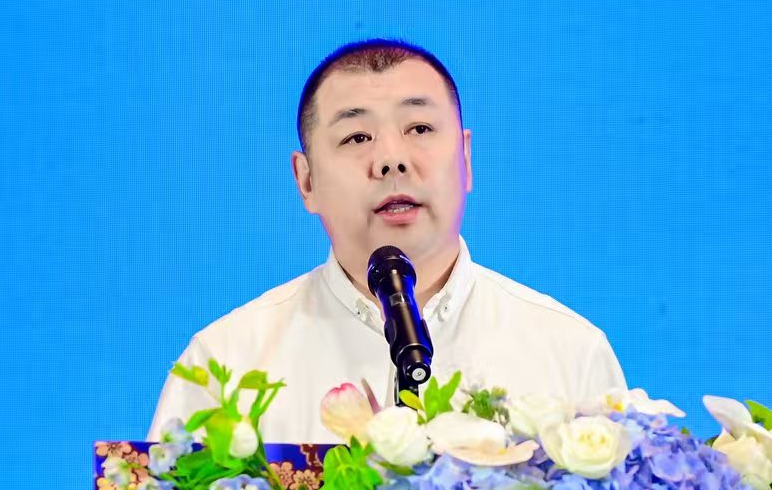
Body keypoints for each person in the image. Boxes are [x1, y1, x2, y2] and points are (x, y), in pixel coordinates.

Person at [146, 38, 626, 443]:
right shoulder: (226, 363)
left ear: (465, 158)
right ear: (306, 180)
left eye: (419, 128)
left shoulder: (569, 352)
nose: (391, 159)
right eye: (357, 138)